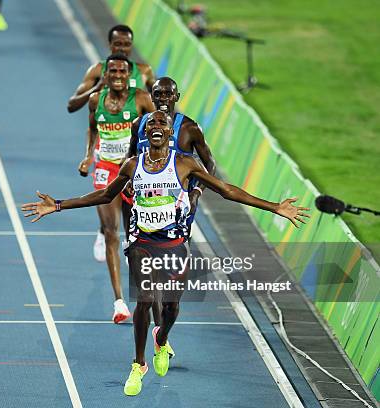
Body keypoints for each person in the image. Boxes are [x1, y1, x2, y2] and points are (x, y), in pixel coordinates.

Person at [22, 110, 309, 396]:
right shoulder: (132, 166)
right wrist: (58, 204)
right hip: (142, 243)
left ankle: (162, 338)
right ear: (145, 133)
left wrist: (275, 207)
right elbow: (105, 195)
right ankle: (138, 364)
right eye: (151, 123)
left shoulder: (185, 164)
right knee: (145, 300)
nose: (156, 125)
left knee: (171, 308)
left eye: (163, 122)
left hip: (173, 244)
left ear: (170, 133)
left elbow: (226, 190)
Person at [68, 25, 155, 263]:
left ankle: (131, 237)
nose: (123, 49)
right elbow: (72, 105)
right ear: (110, 45)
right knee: (107, 196)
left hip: (134, 149)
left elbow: (157, 106)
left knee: (133, 199)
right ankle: (104, 231)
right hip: (106, 145)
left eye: (127, 45)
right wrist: (98, 87)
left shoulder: (144, 73)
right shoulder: (98, 71)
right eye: (118, 44)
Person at [78, 54, 154, 323]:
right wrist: (88, 155)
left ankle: (146, 291)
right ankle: (119, 302)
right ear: (106, 75)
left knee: (140, 236)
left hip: (134, 171)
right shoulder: (96, 100)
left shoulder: (142, 99)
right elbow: (91, 129)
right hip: (106, 171)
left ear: (128, 73)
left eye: (123, 71)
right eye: (113, 71)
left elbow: (158, 130)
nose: (119, 75)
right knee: (111, 231)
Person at [126, 76, 216, 232]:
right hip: (145, 204)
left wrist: (196, 193)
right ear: (151, 96)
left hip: (178, 206)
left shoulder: (189, 128)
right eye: (158, 94)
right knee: (137, 248)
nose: (163, 99)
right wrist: (129, 180)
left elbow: (210, 164)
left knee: (177, 252)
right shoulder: (139, 125)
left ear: (176, 97)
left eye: (168, 94)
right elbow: (131, 155)